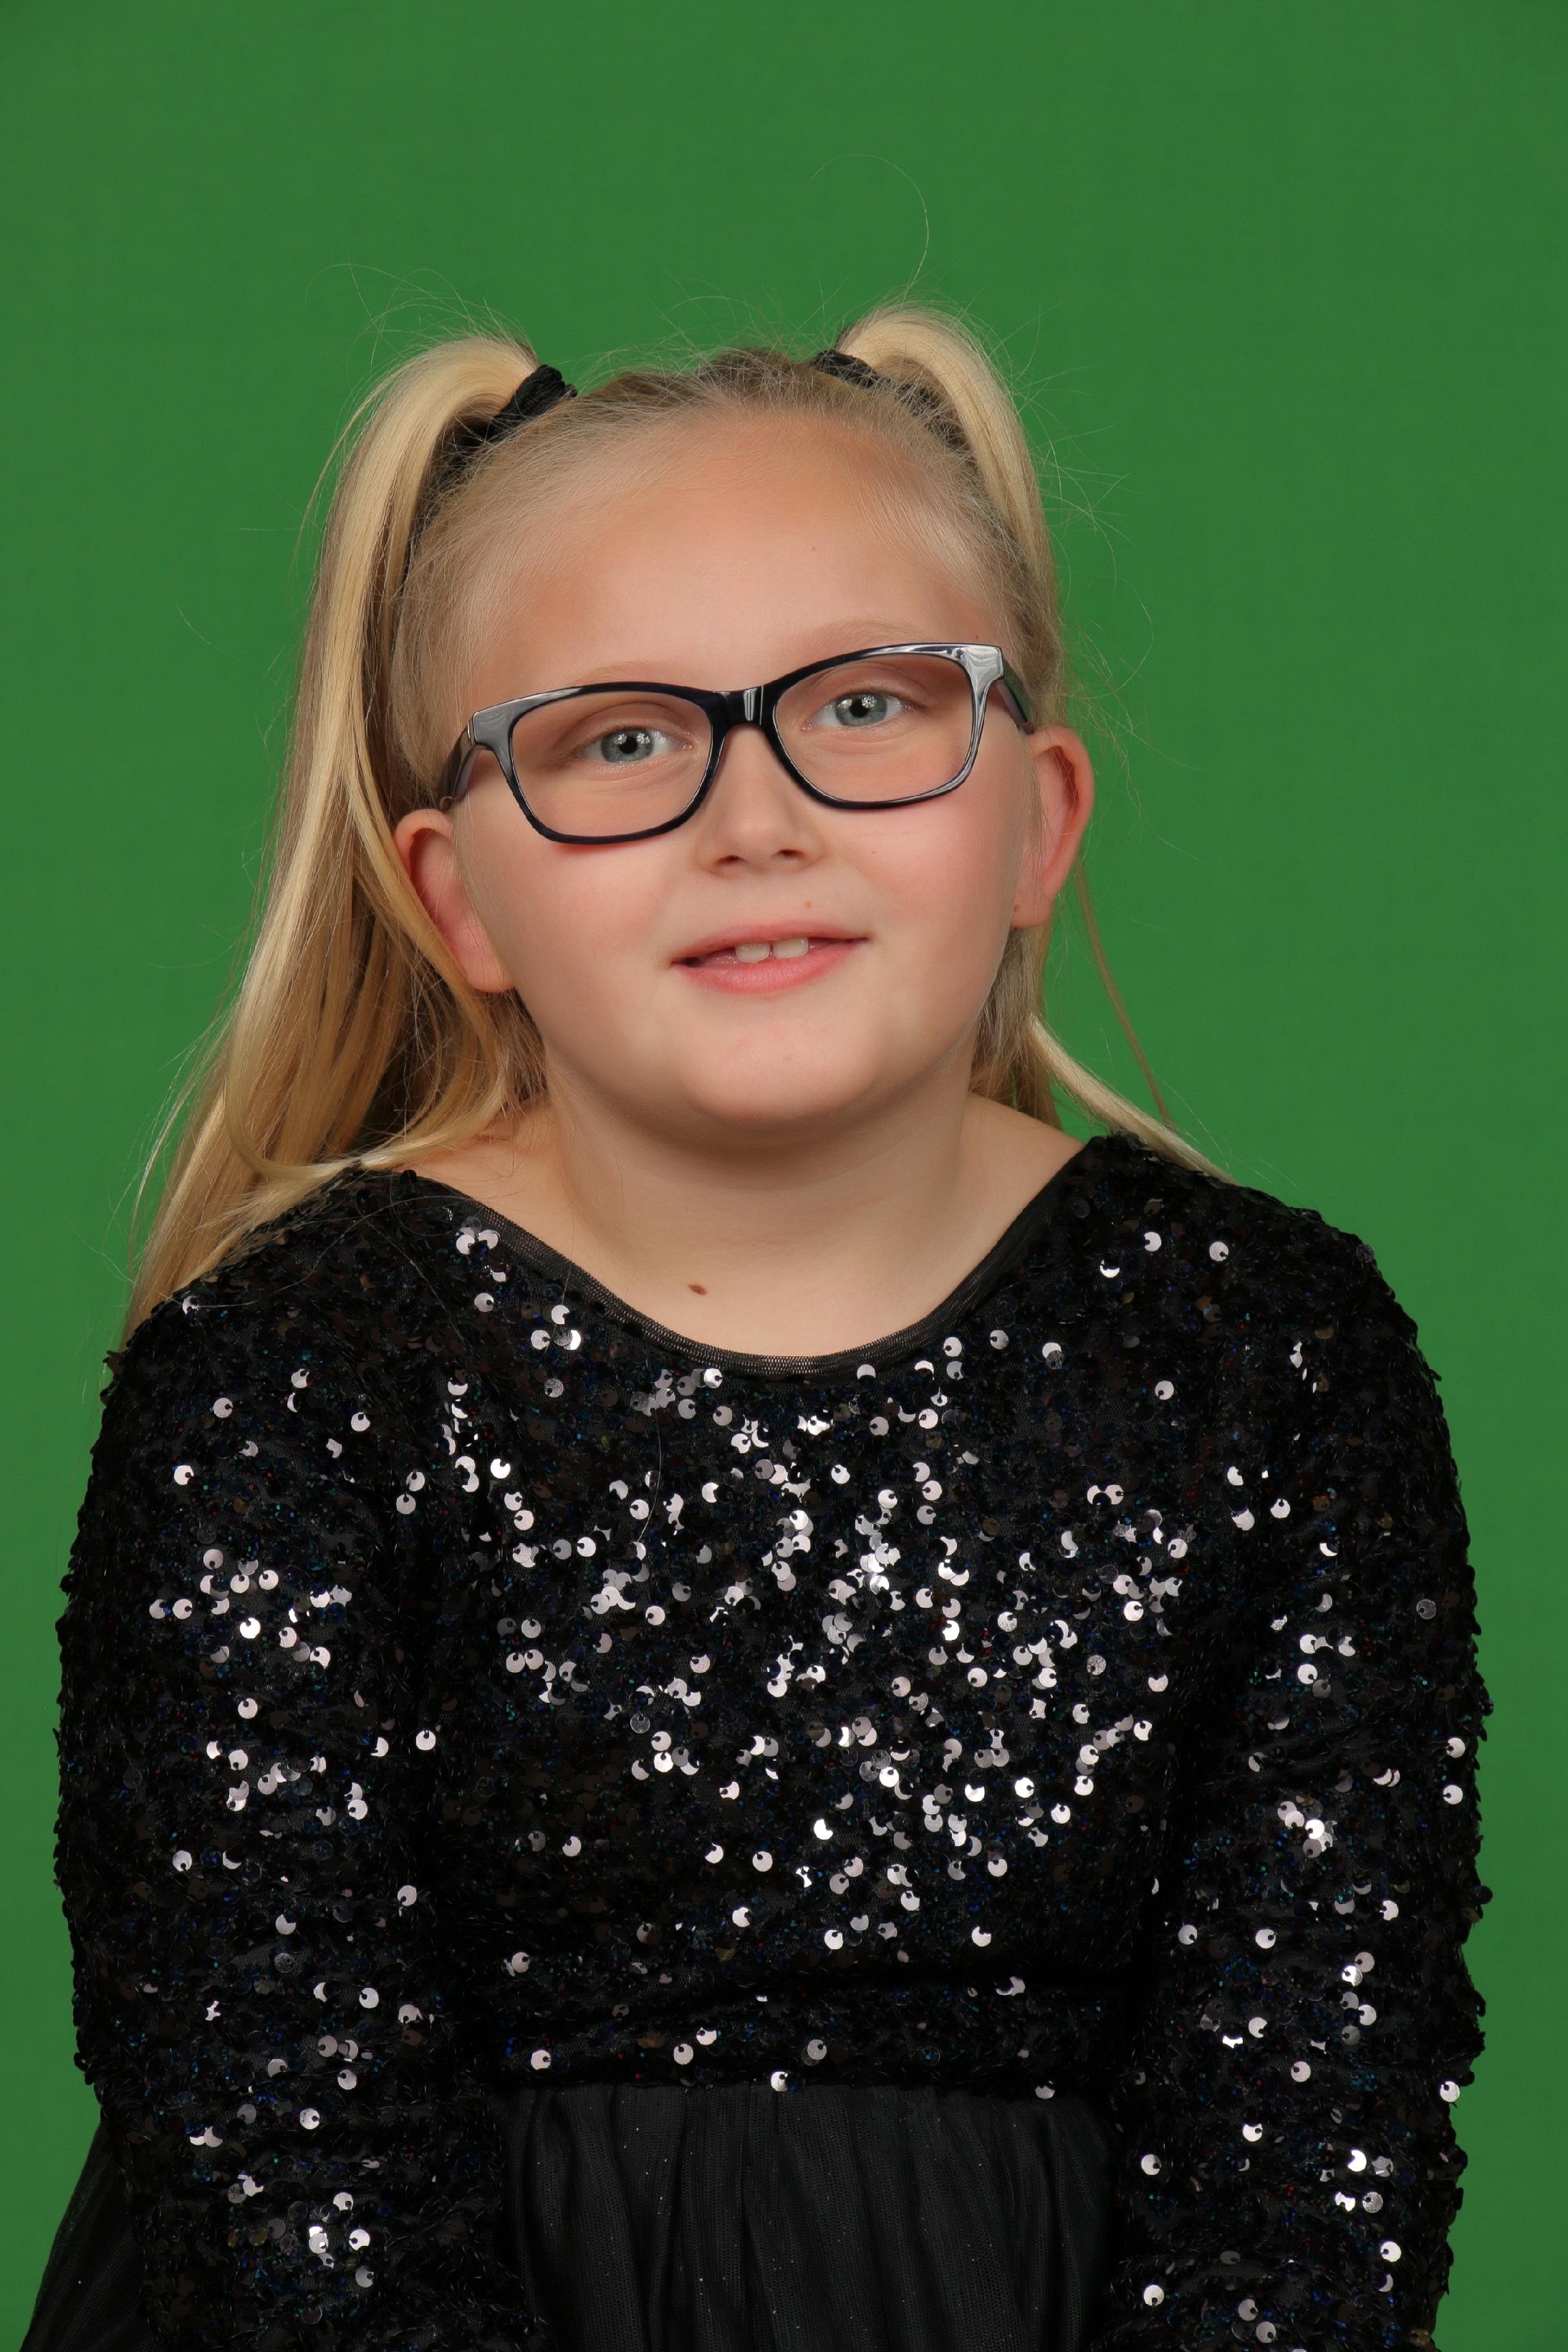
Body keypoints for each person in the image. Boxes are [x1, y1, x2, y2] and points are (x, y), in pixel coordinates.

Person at [32, 309, 1486, 2352]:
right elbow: (278, 2158)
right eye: (623, 740)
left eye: (868, 704)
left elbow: (1312, 2152)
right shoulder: (288, 1376)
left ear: (1038, 819)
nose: (756, 816)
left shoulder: (1272, 1357)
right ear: (458, 899)